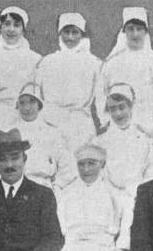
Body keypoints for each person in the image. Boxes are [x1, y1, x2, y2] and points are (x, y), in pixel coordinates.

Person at [0, 83, 75, 190]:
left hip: (43, 185)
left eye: (32, 102)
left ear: (39, 105)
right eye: (22, 103)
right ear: (17, 106)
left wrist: (58, 186)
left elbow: (68, 165)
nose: (27, 107)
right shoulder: (9, 133)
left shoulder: (52, 133)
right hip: (14, 186)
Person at [33, 12, 104, 151]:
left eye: (75, 32)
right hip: (52, 122)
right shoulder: (47, 62)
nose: (70, 37)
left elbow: (102, 96)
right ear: (60, 34)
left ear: (81, 35)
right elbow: (37, 94)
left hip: (80, 123)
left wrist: (104, 121)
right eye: (66, 32)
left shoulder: (94, 63)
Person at [100, 7, 153, 130]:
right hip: (119, 123)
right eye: (131, 29)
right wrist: (108, 123)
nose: (135, 34)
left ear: (146, 31)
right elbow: (103, 97)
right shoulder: (112, 63)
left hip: (150, 124)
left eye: (139, 29)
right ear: (124, 31)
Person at [0, 6, 42, 130]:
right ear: (0, 26)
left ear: (23, 29)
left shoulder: (36, 60)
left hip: (27, 119)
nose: (11, 29)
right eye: (7, 24)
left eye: (17, 25)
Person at [90, 84, 153, 193]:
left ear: (131, 107)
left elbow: (152, 173)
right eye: (113, 109)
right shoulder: (100, 142)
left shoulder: (145, 141)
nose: (118, 114)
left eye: (122, 107)